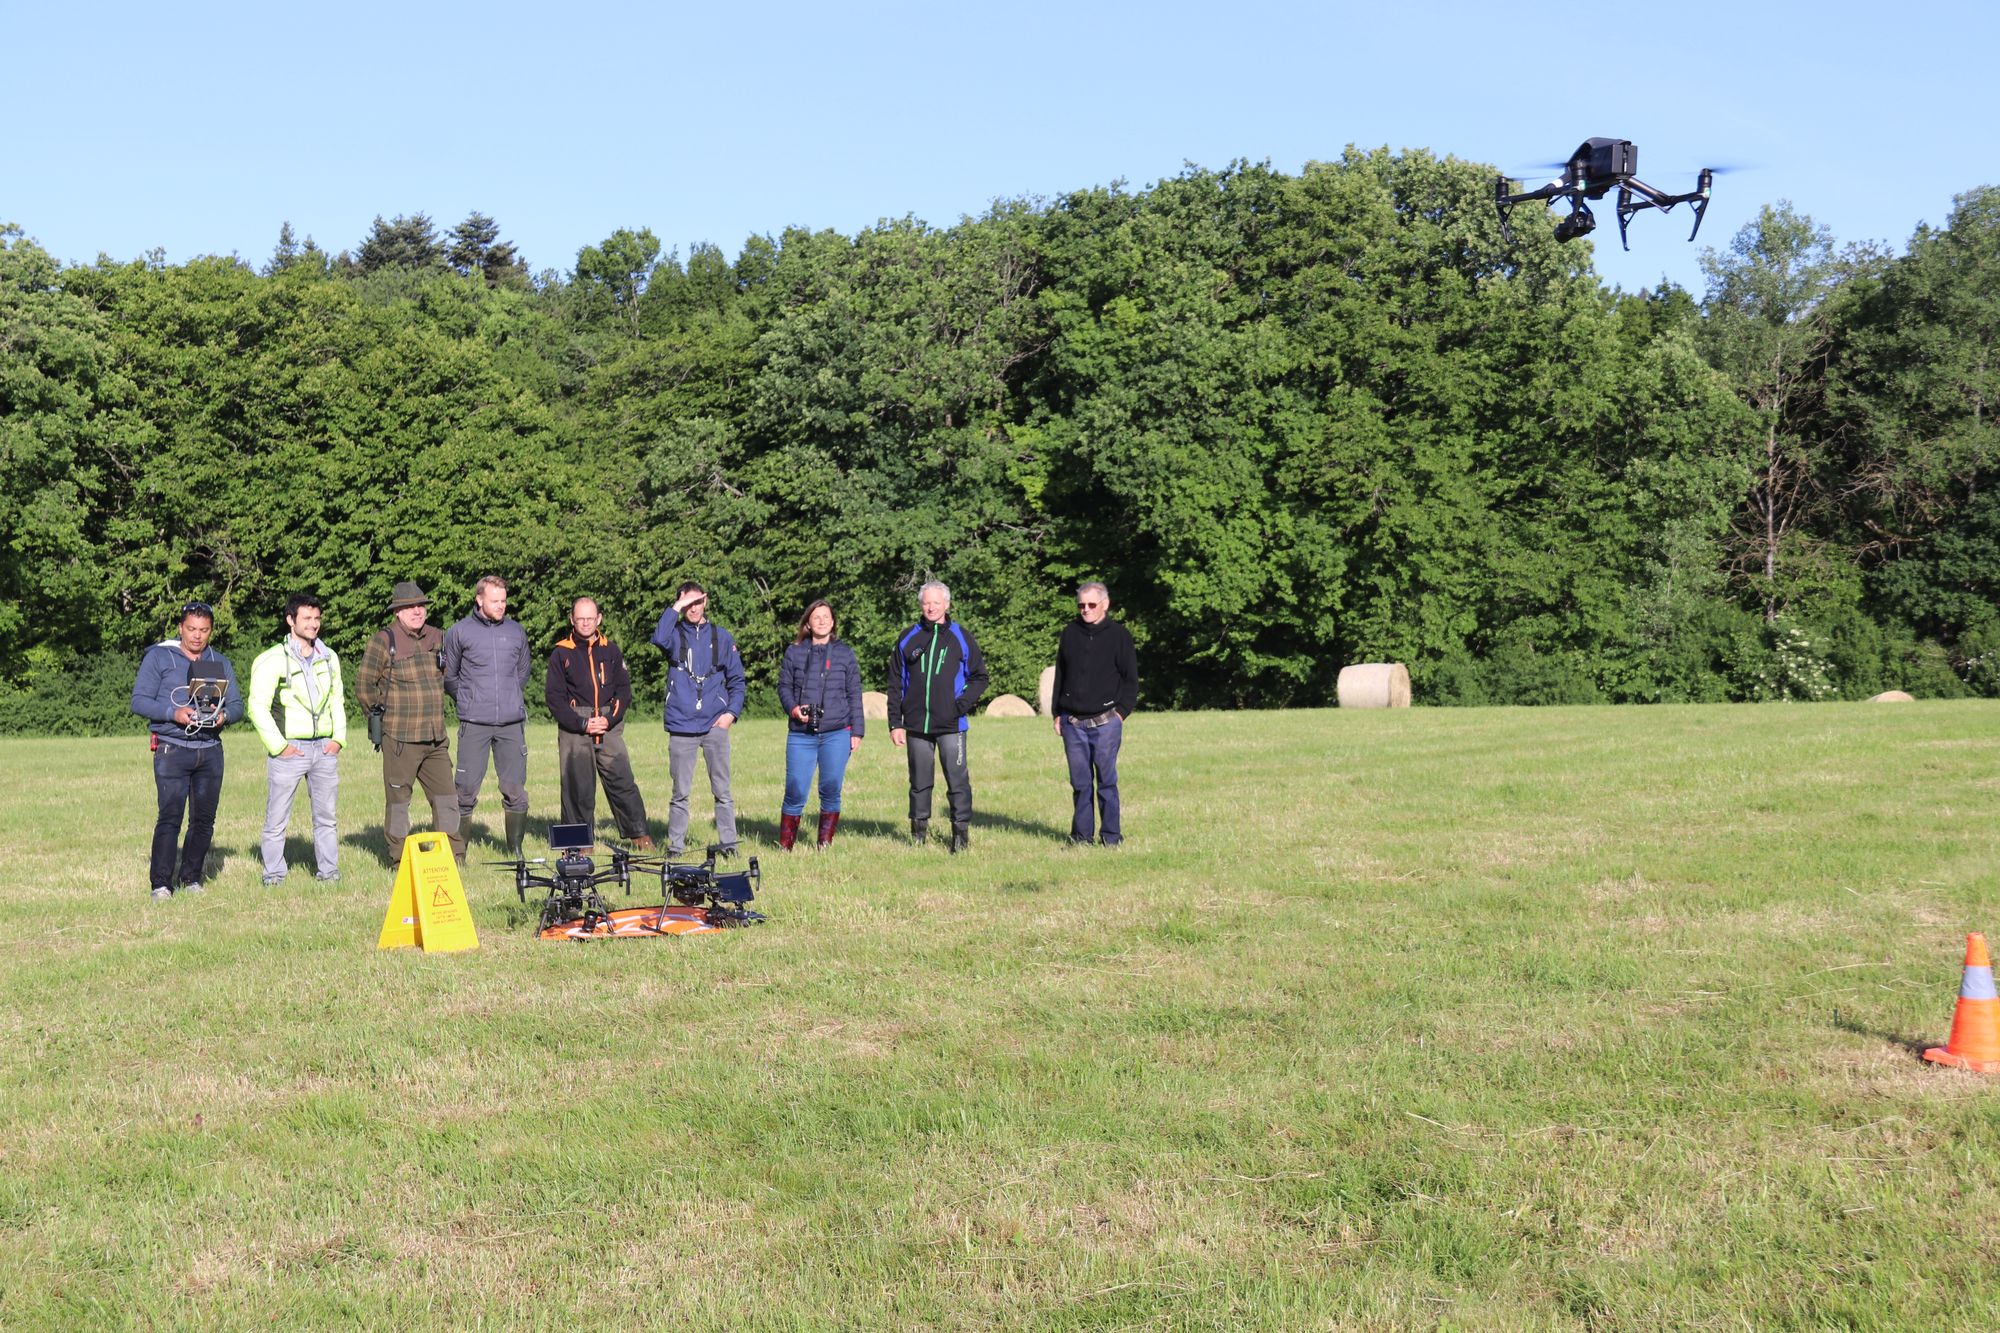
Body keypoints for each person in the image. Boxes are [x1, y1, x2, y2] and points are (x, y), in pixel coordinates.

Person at [130, 601, 244, 900]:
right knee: (170, 817)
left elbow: (236, 705)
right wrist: (172, 712)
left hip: (210, 749)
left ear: (211, 631)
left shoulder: (220, 661)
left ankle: (191, 878)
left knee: (204, 820)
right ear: (180, 628)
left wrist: (225, 717)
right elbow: (139, 701)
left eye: (203, 630)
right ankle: (161, 885)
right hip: (172, 748)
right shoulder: (159, 657)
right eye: (191, 629)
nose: (197, 636)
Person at [356, 581, 463, 861]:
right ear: (398, 612)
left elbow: (449, 675)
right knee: (399, 805)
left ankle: (454, 858)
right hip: (400, 739)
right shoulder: (384, 640)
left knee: (447, 801)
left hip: (436, 738)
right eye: (410, 607)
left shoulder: (438, 637)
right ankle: (399, 859)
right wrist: (380, 717)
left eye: (421, 606)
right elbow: (364, 685)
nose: (417, 611)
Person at [246, 593, 347, 885]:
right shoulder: (271, 659)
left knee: (327, 818)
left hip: (325, 748)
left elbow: (337, 701)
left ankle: (330, 873)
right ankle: (274, 874)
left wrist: (338, 739)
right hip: (290, 750)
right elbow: (257, 707)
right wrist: (279, 747)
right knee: (277, 819)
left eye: (317, 618)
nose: (314, 624)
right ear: (290, 620)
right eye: (307, 618)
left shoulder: (330, 657)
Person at [886, 581, 988, 853]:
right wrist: (895, 722)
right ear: (920, 605)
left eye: (936, 602)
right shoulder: (908, 637)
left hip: (952, 725)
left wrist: (960, 705)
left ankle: (960, 836)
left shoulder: (960, 636)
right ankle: (918, 836)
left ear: (947, 604)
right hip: (917, 725)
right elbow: (895, 682)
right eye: (926, 603)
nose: (931, 607)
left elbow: (980, 677)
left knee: (958, 781)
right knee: (919, 781)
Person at [545, 596, 654, 849]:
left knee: (623, 781)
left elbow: (624, 691)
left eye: (590, 618)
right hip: (575, 728)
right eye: (580, 618)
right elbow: (555, 698)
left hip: (608, 724)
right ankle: (577, 843)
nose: (585, 623)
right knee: (576, 787)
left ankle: (639, 834)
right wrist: (583, 724)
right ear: (572, 619)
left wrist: (608, 719)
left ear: (599, 619)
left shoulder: (611, 650)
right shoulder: (560, 653)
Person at [650, 580, 745, 856]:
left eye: (698, 602)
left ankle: (729, 845)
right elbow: (657, 638)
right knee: (680, 793)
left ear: (706, 602)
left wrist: (730, 714)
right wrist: (676, 607)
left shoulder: (722, 637)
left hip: (715, 723)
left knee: (723, 791)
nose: (694, 608)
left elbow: (737, 680)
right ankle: (676, 846)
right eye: (688, 603)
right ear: (681, 605)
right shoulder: (674, 635)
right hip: (681, 725)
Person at [443, 575, 532, 858]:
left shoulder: (516, 632)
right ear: (479, 600)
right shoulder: (459, 632)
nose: (501, 606)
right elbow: (450, 677)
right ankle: (459, 853)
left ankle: (515, 849)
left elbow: (522, 673)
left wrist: (506, 698)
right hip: (474, 723)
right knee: (465, 791)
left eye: (504, 600)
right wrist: (471, 700)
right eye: (495, 601)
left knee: (515, 790)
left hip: (511, 724)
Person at [1051, 581, 1139, 847]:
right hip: (1072, 723)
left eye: (1091, 605)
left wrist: (1120, 714)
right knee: (1080, 783)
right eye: (1081, 605)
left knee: (1107, 782)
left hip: (1106, 723)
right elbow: (1061, 674)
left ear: (1105, 604)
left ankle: (1111, 837)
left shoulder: (1119, 636)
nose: (1085, 610)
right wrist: (1057, 713)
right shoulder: (1070, 633)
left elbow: (1131, 680)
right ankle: (1081, 837)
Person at [776, 599, 866, 851]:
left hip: (836, 732)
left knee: (830, 788)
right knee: (795, 789)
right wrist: (794, 708)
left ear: (833, 622)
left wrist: (857, 731)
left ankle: (824, 844)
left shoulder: (845, 653)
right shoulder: (794, 652)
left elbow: (854, 693)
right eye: (817, 617)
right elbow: (783, 687)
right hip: (801, 734)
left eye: (826, 616)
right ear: (808, 623)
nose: (822, 621)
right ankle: (786, 846)